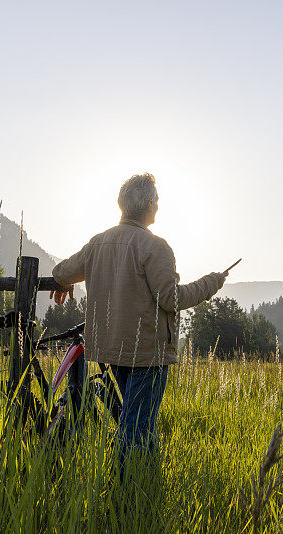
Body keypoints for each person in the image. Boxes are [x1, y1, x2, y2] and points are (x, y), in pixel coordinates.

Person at [50, 173, 227, 472]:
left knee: (136, 419)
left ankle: (143, 480)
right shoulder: (155, 247)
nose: (158, 205)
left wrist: (62, 283)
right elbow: (170, 299)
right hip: (146, 353)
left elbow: (61, 270)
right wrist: (211, 284)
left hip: (111, 350)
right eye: (156, 200)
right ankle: (126, 491)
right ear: (146, 204)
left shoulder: (97, 243)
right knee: (137, 426)